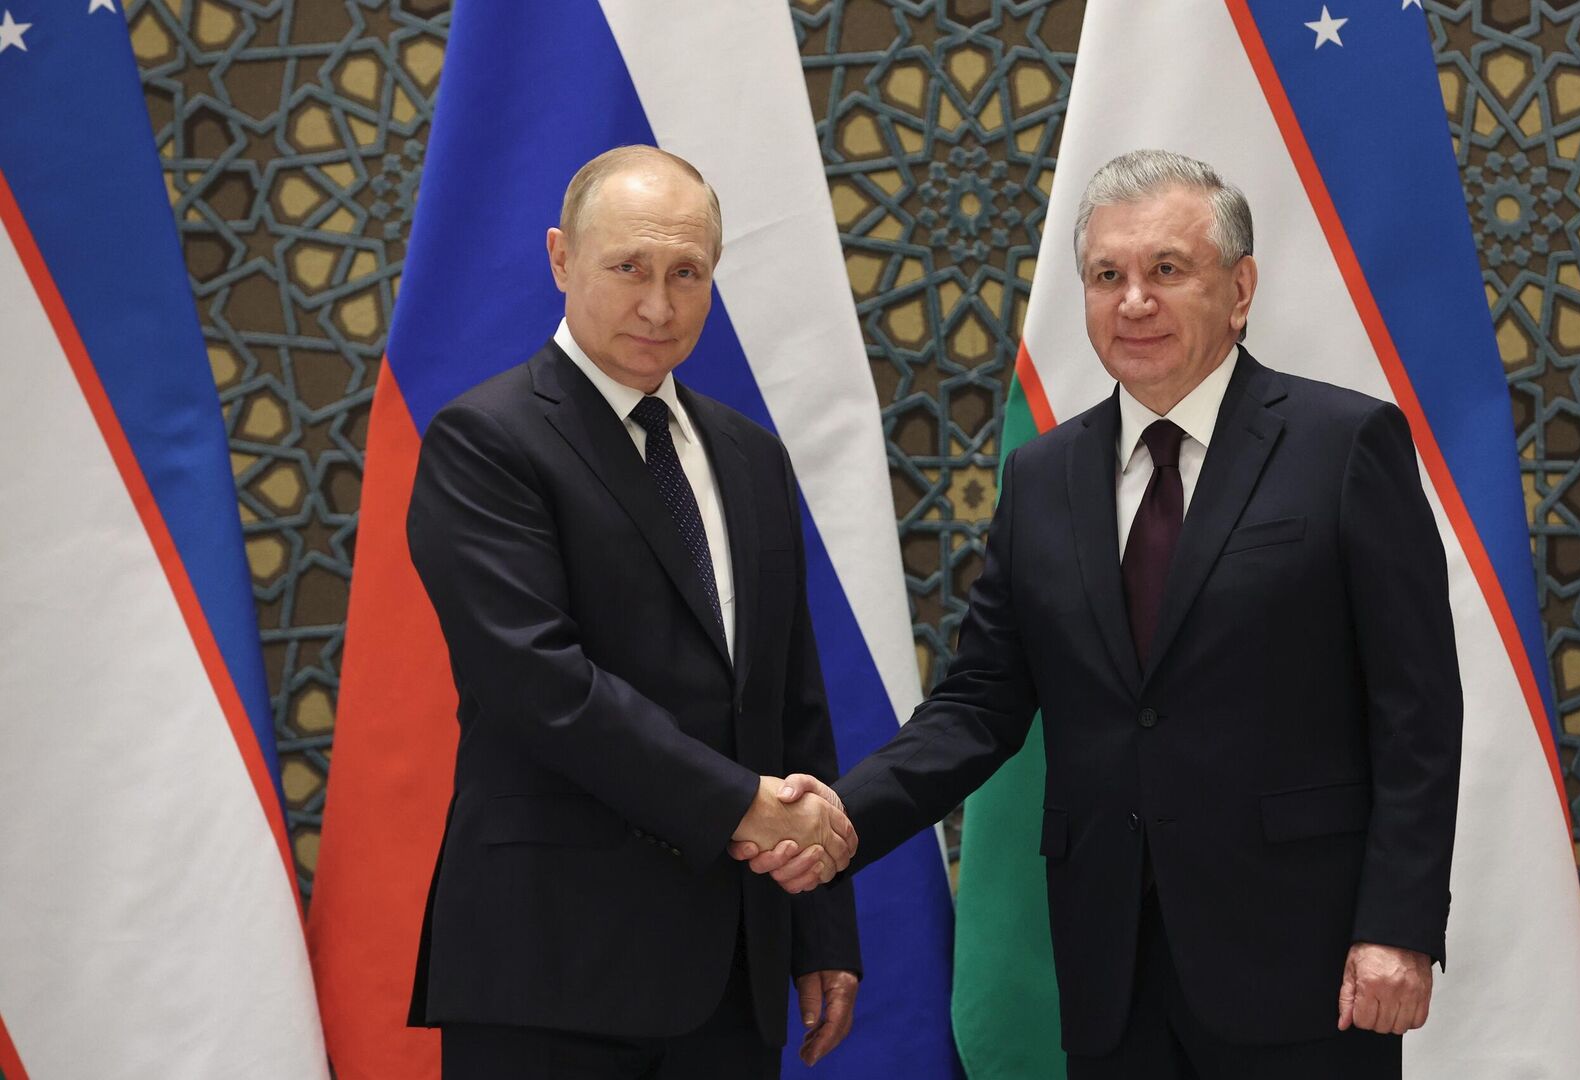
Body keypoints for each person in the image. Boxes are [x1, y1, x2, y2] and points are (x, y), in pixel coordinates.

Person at [742, 149, 1464, 1078]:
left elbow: (1417, 710)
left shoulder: (1344, 444)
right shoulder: (1043, 477)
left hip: (1307, 965)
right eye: (1106, 276)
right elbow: (980, 705)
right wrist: (843, 814)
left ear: (1240, 290)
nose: (1134, 302)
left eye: (1167, 269)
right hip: (1111, 971)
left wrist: (1398, 925)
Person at [405, 145, 862, 1079]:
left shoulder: (751, 457)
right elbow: (540, 684)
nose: (658, 306)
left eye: (686, 274)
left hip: (731, 970)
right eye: (628, 268)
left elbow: (790, 702)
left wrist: (818, 920)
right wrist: (740, 806)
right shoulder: (485, 441)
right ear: (561, 259)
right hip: (552, 968)